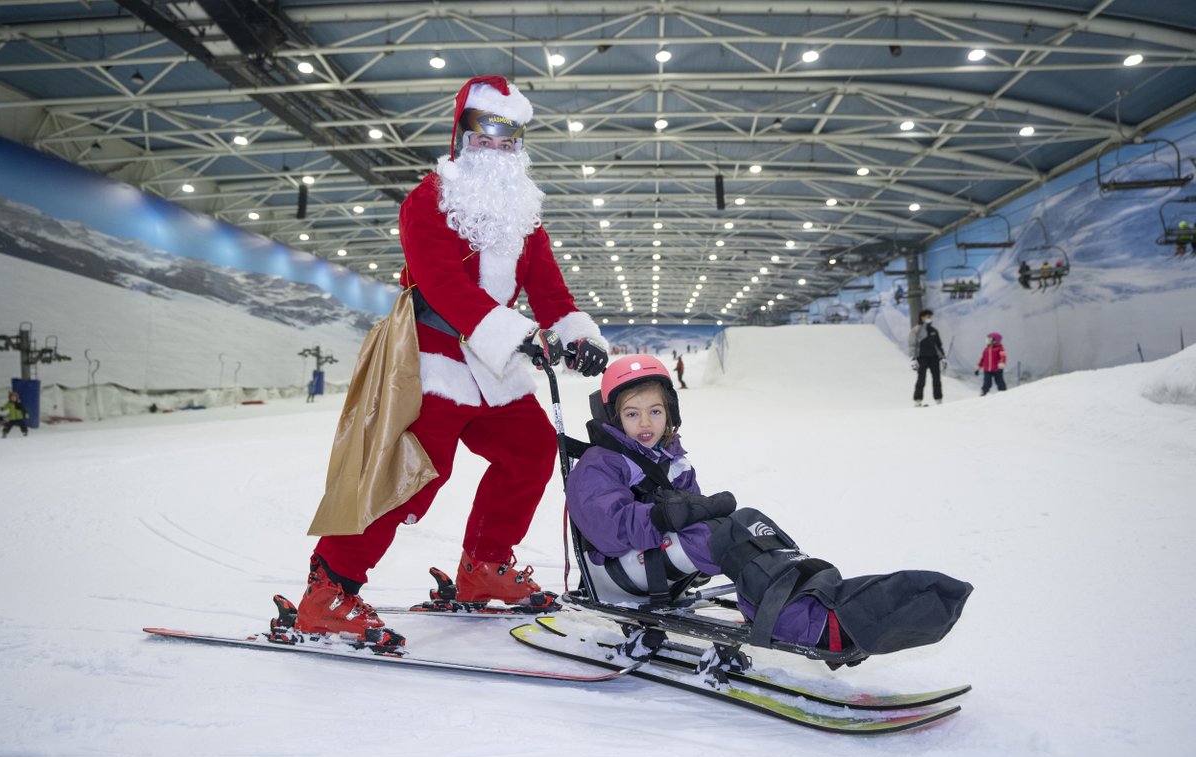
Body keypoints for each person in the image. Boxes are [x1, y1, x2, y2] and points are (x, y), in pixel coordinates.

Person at [296, 75, 609, 639]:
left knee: (531, 449)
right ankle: (329, 589)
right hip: (432, 360)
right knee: (409, 473)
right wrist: (513, 333)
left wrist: (575, 333)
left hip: (495, 368)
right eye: (484, 138)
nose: (496, 150)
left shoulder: (525, 216)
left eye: (507, 141)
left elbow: (550, 291)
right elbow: (442, 285)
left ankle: (483, 568)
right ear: (462, 137)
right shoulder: (428, 201)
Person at [564, 356, 972, 658]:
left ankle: (822, 597)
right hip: (617, 571)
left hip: (652, 559)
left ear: (670, 412)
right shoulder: (600, 463)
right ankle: (810, 625)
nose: (645, 423)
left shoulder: (671, 459)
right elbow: (608, 528)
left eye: (655, 411)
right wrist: (667, 515)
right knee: (723, 535)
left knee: (747, 524)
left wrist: (698, 511)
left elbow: (691, 516)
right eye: (632, 413)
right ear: (614, 418)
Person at [908, 309, 946, 407]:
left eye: (930, 317)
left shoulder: (934, 330)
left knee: (937, 378)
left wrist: (942, 357)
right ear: (922, 317)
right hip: (921, 357)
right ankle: (918, 400)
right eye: (927, 316)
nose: (929, 318)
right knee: (921, 379)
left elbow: (939, 345)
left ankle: (938, 399)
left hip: (934, 357)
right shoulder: (916, 330)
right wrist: (913, 358)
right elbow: (912, 345)